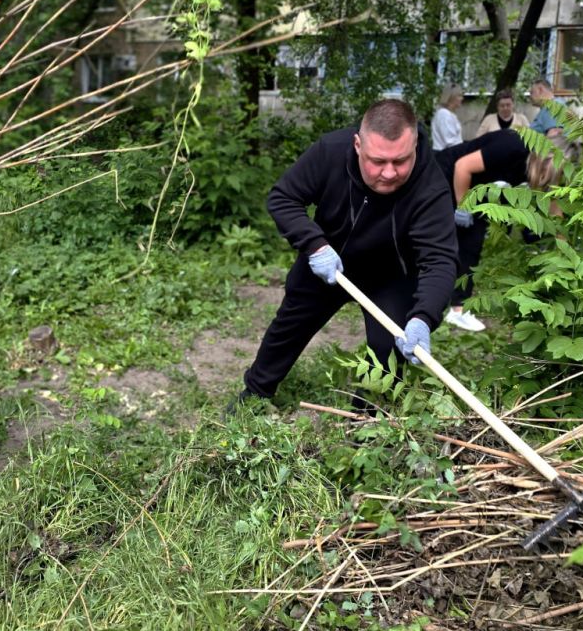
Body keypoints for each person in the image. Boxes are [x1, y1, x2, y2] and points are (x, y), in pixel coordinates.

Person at [234, 99, 458, 409]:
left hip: (390, 275)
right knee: (289, 325)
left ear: (416, 146)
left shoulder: (431, 186)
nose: (390, 173)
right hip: (329, 261)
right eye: (378, 161)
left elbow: (440, 259)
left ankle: (365, 421)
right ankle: (255, 394)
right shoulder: (331, 151)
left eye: (401, 161)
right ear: (357, 145)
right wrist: (315, 244)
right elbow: (283, 198)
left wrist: (423, 316)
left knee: (388, 348)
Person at [435, 130, 566, 332]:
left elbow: (554, 206)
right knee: (439, 236)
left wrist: (565, 252)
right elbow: (462, 166)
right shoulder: (512, 145)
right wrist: (462, 207)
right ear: (542, 159)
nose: (544, 182)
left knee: (471, 243)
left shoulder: (544, 167)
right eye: (544, 176)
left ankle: (457, 311)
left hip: (478, 187)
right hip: (447, 174)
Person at [431, 84, 464, 150]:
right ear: (451, 97)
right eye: (459, 95)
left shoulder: (450, 115)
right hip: (444, 156)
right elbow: (450, 142)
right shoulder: (444, 114)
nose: (462, 98)